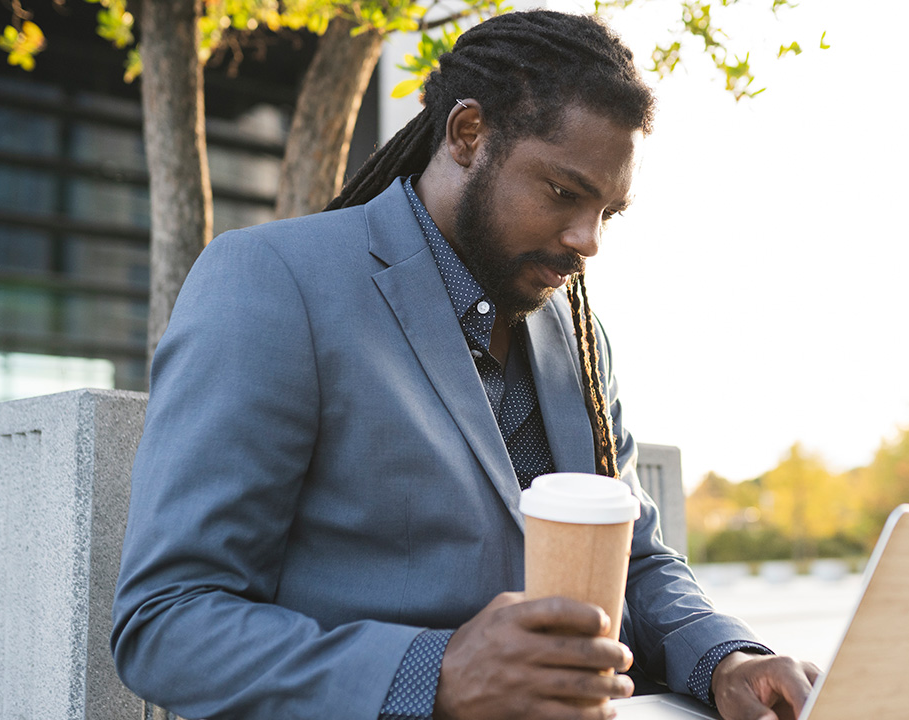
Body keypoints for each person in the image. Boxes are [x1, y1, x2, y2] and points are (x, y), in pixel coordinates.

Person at [112, 10, 819, 720]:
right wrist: (436, 675)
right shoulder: (270, 280)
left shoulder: (578, 334)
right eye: (564, 193)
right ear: (467, 134)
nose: (589, 240)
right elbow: (167, 624)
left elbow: (633, 559)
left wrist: (729, 658)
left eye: (609, 211)